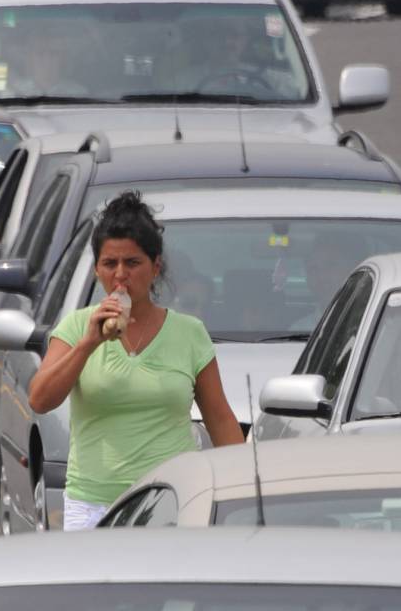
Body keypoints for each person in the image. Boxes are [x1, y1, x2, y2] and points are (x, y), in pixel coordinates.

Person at [29, 191, 243, 530]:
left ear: (155, 267)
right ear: (97, 268)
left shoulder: (189, 334)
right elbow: (40, 399)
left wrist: (242, 489)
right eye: (109, 264)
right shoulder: (76, 327)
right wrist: (88, 344)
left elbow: (220, 418)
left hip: (171, 502)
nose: (120, 276)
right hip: (94, 505)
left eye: (132, 263)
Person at [290, 231, 372, 331]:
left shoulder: (379, 321)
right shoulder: (298, 330)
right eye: (313, 269)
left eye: (331, 265)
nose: (321, 277)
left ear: (354, 269)